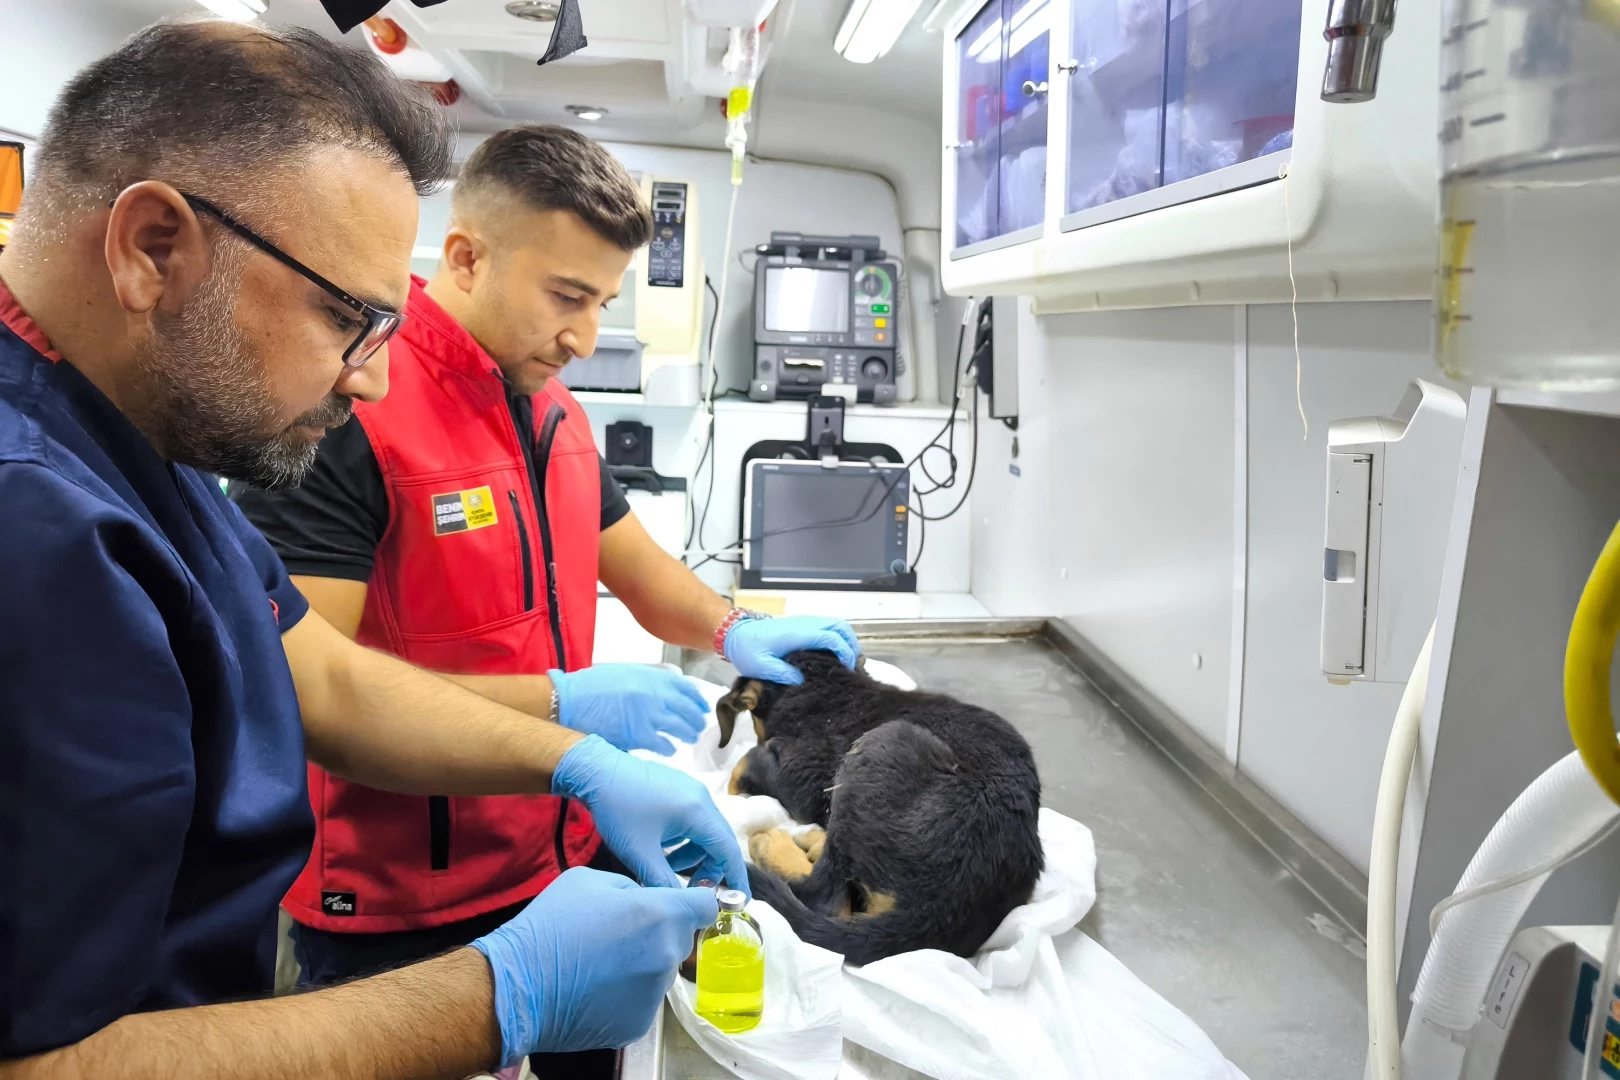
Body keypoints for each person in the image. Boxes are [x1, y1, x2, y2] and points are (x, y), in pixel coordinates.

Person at [0, 21, 750, 1080]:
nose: (373, 379)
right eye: (345, 317)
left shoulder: (144, 434)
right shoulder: (30, 527)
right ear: (154, 247)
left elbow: (325, 680)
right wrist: (495, 996)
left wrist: (571, 760)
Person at [232, 123, 861, 1021]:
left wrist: (734, 628)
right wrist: (561, 704)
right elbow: (302, 687)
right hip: (402, 894)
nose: (586, 336)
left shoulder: (553, 408)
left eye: (603, 301)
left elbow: (637, 567)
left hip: (557, 843)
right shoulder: (348, 413)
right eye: (567, 295)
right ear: (466, 258)